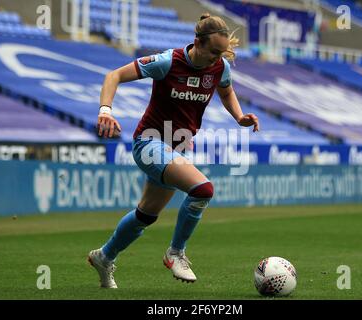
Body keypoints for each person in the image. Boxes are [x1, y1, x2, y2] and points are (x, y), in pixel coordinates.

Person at [88, 13, 260, 288]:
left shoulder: (219, 67)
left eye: (221, 53)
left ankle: (104, 256)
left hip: (176, 147)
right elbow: (114, 75)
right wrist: (105, 111)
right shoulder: (168, 62)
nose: (217, 59)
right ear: (197, 43)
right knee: (203, 190)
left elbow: (226, 90)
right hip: (149, 143)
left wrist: (238, 117)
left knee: (146, 215)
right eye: (212, 52)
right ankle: (176, 253)